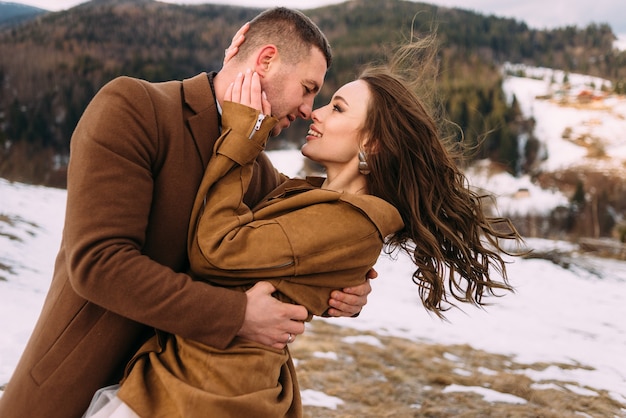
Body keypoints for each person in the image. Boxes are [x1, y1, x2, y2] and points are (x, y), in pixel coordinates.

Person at [81, 31, 523, 418]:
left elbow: (215, 250)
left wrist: (240, 137)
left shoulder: (347, 220)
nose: (316, 112)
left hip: (207, 391)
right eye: (315, 94)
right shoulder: (316, 197)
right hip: (197, 381)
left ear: (372, 141)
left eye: (336, 106)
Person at [0, 8, 375, 418]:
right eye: (307, 88)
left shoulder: (253, 168)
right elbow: (98, 264)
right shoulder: (133, 107)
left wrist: (345, 289)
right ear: (266, 59)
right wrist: (236, 315)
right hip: (76, 386)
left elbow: (313, 229)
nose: (308, 109)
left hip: (176, 396)